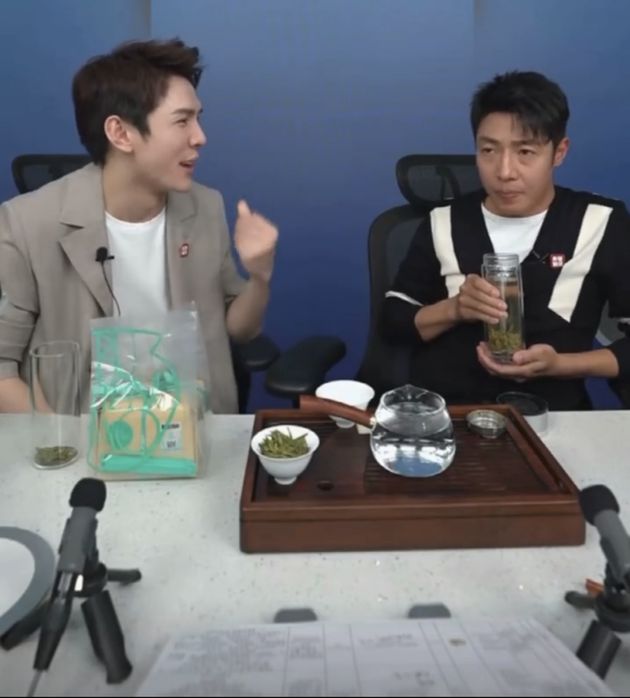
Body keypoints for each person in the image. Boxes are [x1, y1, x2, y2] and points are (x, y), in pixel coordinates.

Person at [0, 38, 278, 414]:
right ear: (120, 133)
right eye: (182, 121)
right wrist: (62, 440)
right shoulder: (25, 224)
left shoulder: (205, 207)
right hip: (84, 433)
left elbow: (239, 329)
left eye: (198, 118)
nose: (200, 137)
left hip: (192, 427)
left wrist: (260, 277)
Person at [382, 70, 630, 410]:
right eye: (488, 150)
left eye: (525, 152)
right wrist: (455, 308)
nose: (504, 172)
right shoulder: (445, 221)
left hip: (551, 411)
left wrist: (560, 365)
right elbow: (394, 321)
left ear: (559, 152)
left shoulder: (599, 222)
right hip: (450, 411)